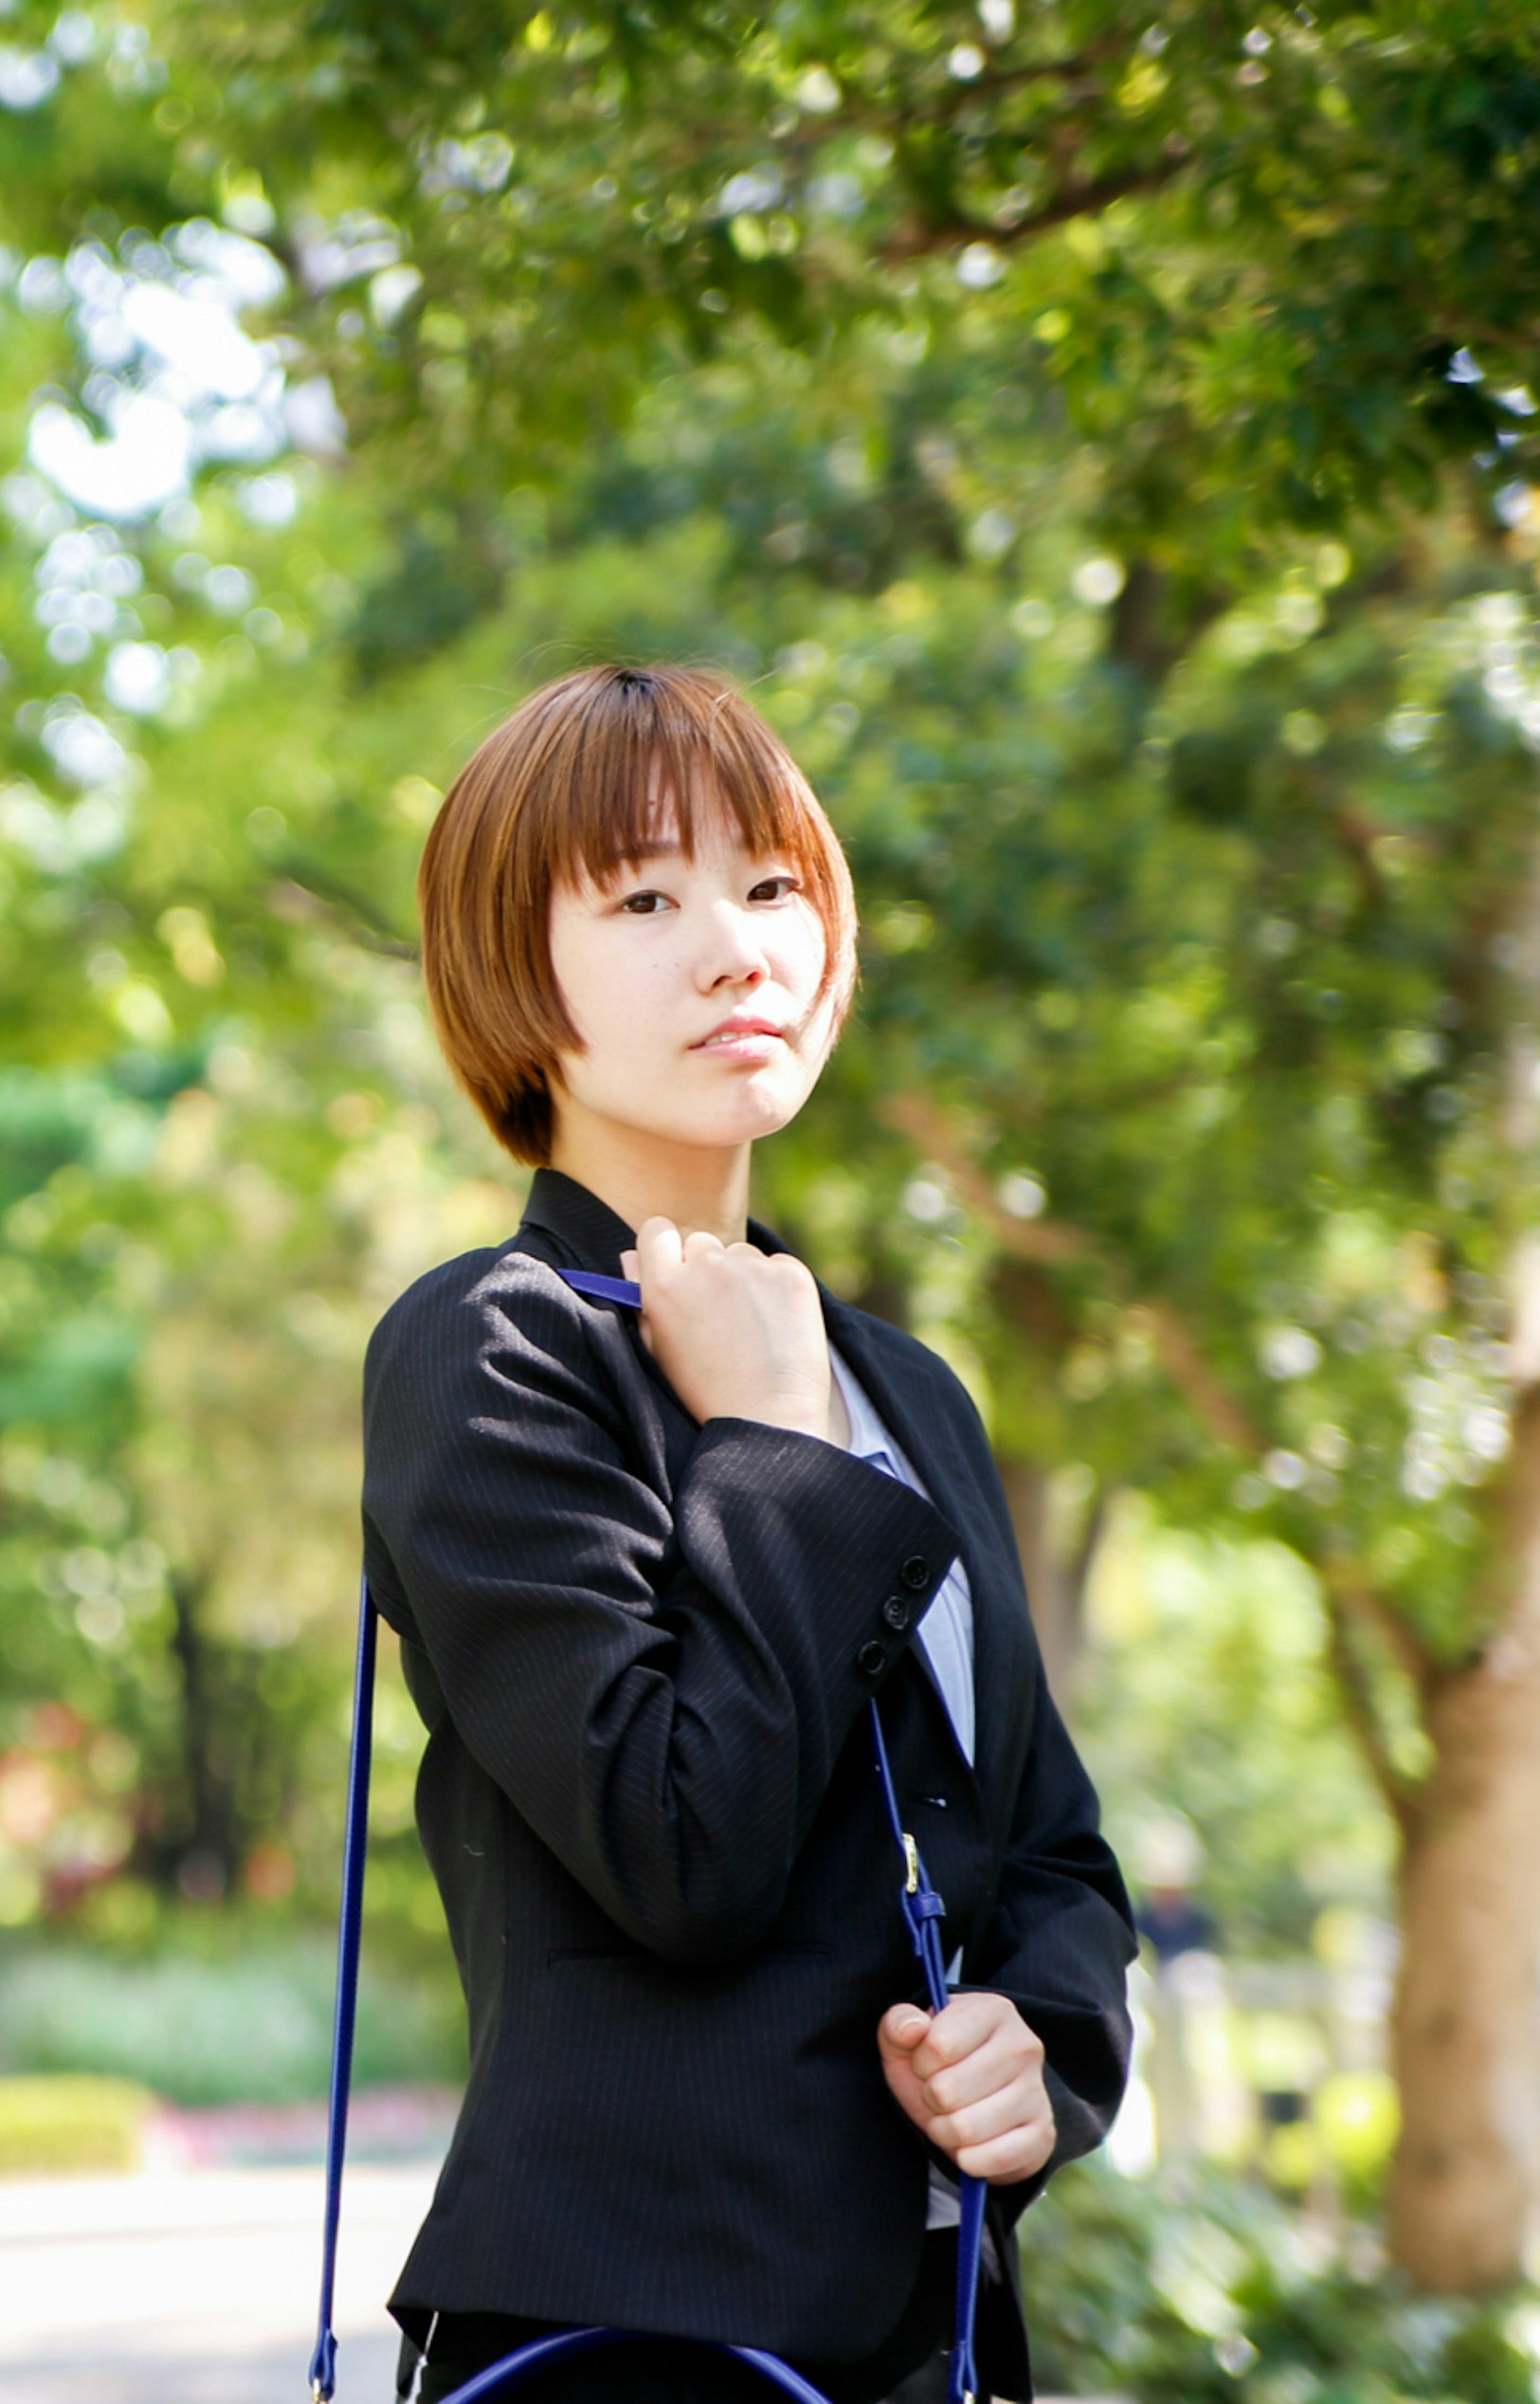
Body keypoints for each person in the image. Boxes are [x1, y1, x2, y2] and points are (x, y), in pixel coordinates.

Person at [363, 665, 1138, 2403]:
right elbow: (678, 1852)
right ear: (514, 971)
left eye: (774, 884)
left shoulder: (909, 1389)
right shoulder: (491, 1346)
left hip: (927, 2345)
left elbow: (1055, 1858)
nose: (737, 947)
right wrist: (771, 1448)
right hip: (633, 2334)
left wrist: (1044, 2053)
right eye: (645, 896)